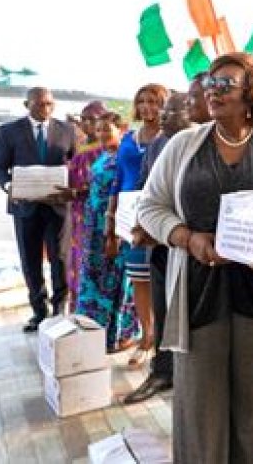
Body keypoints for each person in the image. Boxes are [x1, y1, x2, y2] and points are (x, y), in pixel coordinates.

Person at [139, 53, 253, 464]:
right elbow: (150, 207)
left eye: (226, 83)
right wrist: (187, 237)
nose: (214, 90)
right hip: (197, 288)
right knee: (199, 408)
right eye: (210, 83)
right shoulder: (184, 144)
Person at [123, 92, 194, 404]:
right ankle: (162, 371)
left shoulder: (203, 145)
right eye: (163, 110)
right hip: (158, 247)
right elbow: (143, 190)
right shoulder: (156, 145)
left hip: (193, 249)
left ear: (191, 112)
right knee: (162, 311)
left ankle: (188, 377)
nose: (163, 116)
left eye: (171, 110)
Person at [0, 87, 77, 331]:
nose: (45, 108)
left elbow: (74, 162)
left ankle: (59, 308)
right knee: (30, 261)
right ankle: (39, 311)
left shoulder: (67, 130)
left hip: (58, 207)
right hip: (24, 206)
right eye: (39, 104)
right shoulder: (8, 131)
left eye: (50, 104)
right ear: (26, 104)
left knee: (60, 258)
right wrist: (9, 186)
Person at [108, 83, 168, 368]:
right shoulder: (129, 139)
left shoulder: (172, 138)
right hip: (130, 216)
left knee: (162, 278)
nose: (147, 107)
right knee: (139, 279)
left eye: (154, 102)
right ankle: (147, 336)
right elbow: (119, 179)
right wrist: (111, 222)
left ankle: (165, 342)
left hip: (160, 214)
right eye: (142, 101)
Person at [74, 111, 139, 351]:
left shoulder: (125, 157)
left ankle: (119, 334)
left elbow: (125, 193)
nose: (101, 134)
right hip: (93, 229)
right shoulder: (103, 156)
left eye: (106, 130)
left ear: (122, 131)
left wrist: (115, 234)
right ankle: (93, 332)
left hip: (114, 229)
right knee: (94, 279)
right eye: (99, 129)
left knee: (115, 279)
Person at [65, 100, 109, 311]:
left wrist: (76, 192)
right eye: (83, 119)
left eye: (91, 119)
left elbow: (101, 185)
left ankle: (95, 311)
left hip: (96, 215)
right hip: (76, 215)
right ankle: (78, 307)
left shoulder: (104, 151)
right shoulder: (80, 146)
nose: (86, 124)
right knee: (76, 261)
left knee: (94, 261)